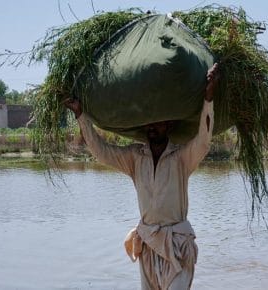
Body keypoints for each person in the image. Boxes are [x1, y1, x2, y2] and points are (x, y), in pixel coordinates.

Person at [64, 63, 218, 290]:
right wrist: (80, 115)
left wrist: (208, 99)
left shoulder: (181, 158)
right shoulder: (135, 158)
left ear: (170, 124)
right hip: (148, 244)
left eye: (158, 122)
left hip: (177, 244)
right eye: (149, 122)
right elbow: (101, 151)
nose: (151, 127)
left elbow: (203, 141)